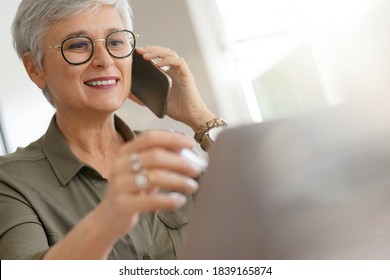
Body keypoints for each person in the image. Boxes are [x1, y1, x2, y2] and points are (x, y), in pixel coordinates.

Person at [0, 0, 227, 260]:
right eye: (77, 45)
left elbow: (265, 213)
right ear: (35, 68)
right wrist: (107, 220)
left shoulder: (172, 152)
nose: (105, 60)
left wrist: (199, 117)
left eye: (116, 42)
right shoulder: (10, 182)